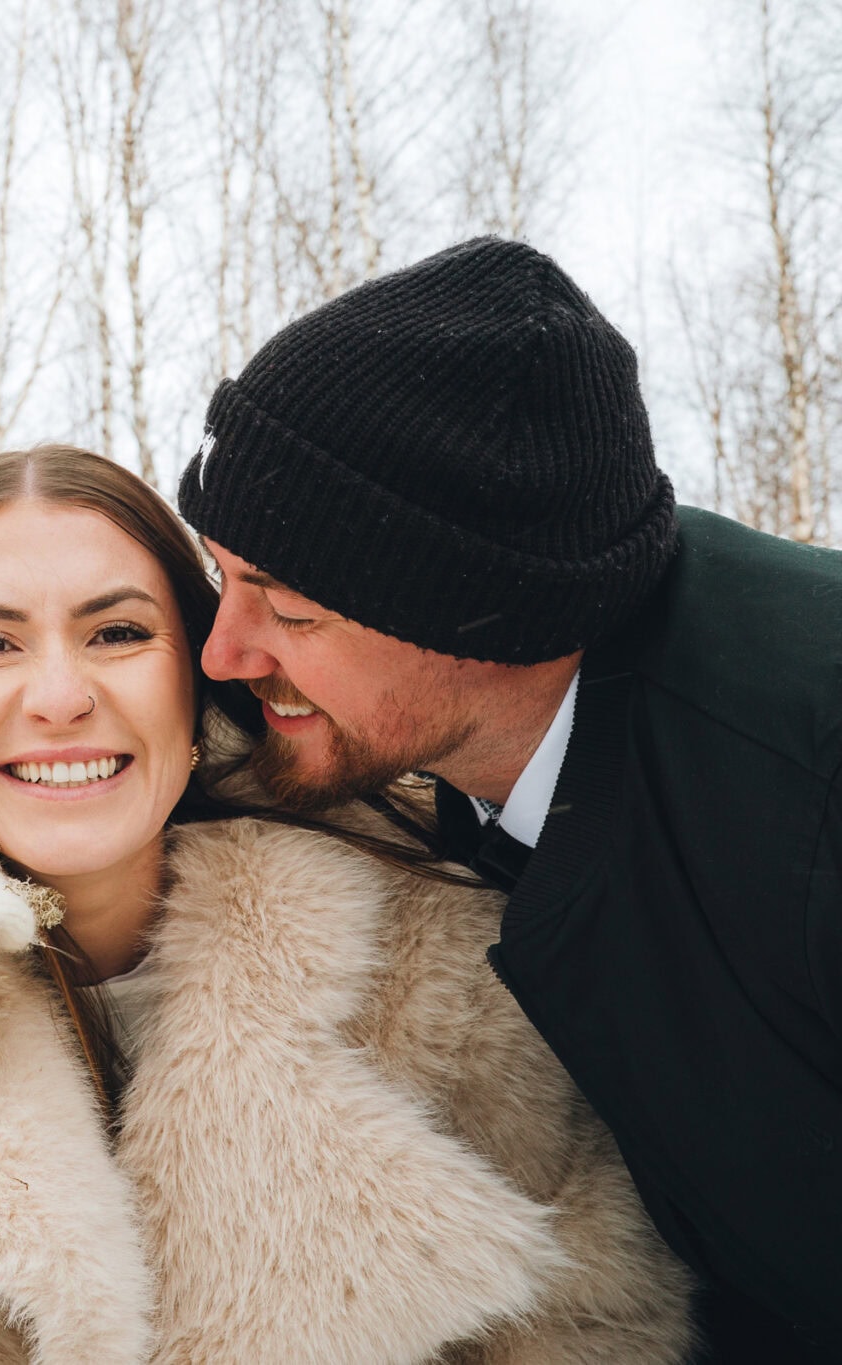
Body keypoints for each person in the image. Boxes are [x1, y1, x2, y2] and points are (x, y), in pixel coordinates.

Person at [0, 445, 691, 1363]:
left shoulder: (427, 938)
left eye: (116, 632)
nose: (60, 695)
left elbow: (599, 1323)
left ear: (196, 665)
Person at [176, 235, 842, 1361]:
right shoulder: (469, 777)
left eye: (287, 610)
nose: (222, 653)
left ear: (479, 617)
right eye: (218, 578)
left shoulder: (799, 783)